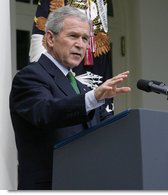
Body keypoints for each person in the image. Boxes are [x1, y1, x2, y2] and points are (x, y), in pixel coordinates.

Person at [9, 6, 130, 190]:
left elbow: (103, 133)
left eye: (85, 38)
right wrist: (92, 97)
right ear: (50, 38)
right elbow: (46, 112)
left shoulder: (83, 88)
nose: (81, 45)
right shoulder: (30, 77)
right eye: (73, 36)